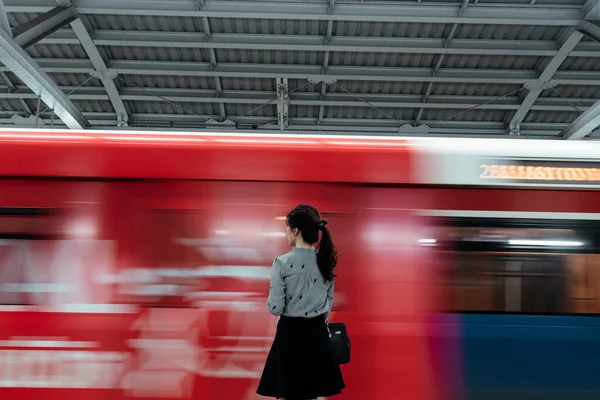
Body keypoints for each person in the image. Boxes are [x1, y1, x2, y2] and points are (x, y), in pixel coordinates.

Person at [256, 204, 345, 400]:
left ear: (296, 230)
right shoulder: (326, 262)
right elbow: (327, 306)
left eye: (287, 228)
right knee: (316, 394)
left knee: (288, 393)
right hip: (317, 336)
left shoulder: (282, 263)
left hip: (290, 338)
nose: (286, 232)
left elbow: (275, 307)